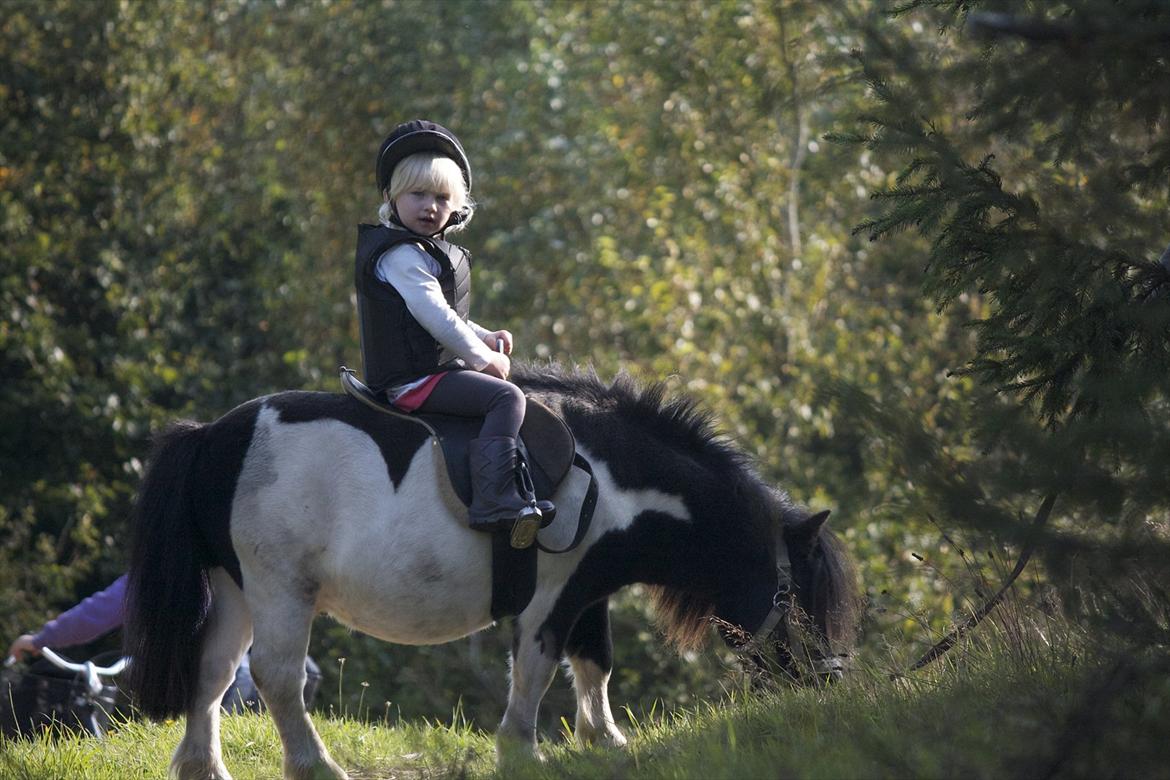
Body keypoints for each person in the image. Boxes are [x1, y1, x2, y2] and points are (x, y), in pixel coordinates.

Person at [355, 119, 553, 533]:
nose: (430, 206)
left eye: (442, 198)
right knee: (507, 400)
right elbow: (434, 315)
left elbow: (445, 314)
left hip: (429, 371)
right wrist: (480, 358)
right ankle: (495, 500)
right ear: (391, 197)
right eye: (418, 195)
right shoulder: (400, 257)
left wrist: (484, 336)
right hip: (411, 381)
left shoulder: (421, 253)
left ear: (456, 206)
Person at [7, 574, 319, 714]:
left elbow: (95, 614)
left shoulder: (152, 574)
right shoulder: (226, 567)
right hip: (228, 679)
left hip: (218, 686)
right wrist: (42, 639)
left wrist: (40, 639)